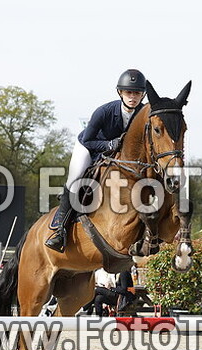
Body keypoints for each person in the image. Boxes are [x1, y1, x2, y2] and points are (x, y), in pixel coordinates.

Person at [45, 69, 148, 252]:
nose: (133, 97)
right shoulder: (104, 112)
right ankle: (60, 229)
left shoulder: (143, 114)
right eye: (128, 92)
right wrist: (109, 144)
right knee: (76, 179)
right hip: (90, 147)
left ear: (142, 95)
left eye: (137, 93)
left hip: (119, 158)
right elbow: (88, 140)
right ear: (120, 93)